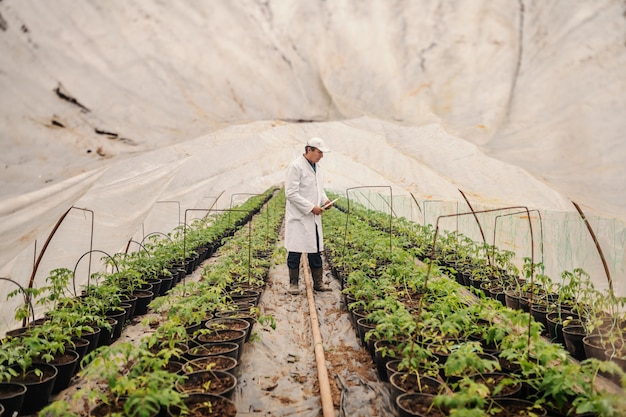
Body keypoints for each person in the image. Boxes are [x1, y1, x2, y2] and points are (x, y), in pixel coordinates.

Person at [284, 137, 334, 294]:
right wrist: (311, 207)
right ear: (309, 150)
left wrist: (325, 200)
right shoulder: (296, 166)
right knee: (295, 251)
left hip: (313, 218)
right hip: (299, 217)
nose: (322, 156)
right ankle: (293, 284)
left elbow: (319, 189)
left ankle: (318, 283)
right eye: (319, 152)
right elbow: (291, 193)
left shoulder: (318, 168)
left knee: (315, 250)